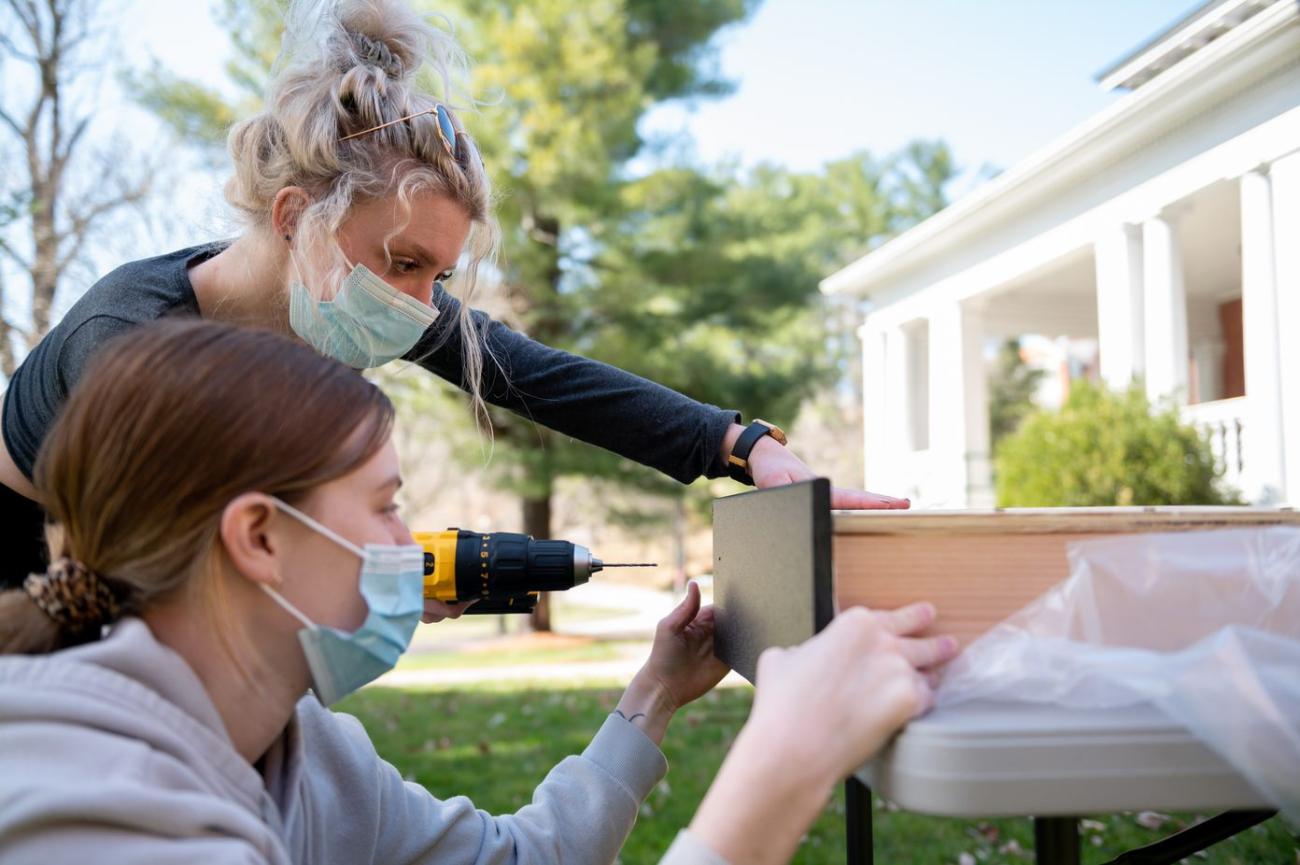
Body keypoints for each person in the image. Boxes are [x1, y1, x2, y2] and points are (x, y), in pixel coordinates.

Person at [0, 0, 907, 590]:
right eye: (405, 264)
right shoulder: (131, 343)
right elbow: (158, 584)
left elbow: (536, 377)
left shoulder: (346, 285)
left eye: (439, 274)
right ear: (294, 216)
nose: (421, 301)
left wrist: (743, 446)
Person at [0, 320, 956, 865]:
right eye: (384, 508)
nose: (410, 550)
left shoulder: (297, 751)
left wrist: (653, 698)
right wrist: (783, 763)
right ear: (259, 537)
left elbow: (518, 861)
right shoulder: (87, 809)